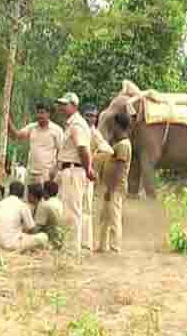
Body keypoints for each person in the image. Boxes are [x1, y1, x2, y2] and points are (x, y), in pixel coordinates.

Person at [53, 92, 94, 256]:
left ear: (74, 106)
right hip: (70, 170)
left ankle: (71, 250)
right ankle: (71, 247)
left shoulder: (76, 124)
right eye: (61, 105)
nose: (62, 108)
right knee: (70, 210)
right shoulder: (71, 124)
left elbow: (83, 149)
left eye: (65, 105)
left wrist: (88, 169)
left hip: (73, 170)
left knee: (72, 212)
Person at [81, 104, 114, 252]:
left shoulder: (94, 133)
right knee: (75, 208)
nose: (91, 118)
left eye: (93, 116)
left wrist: (93, 161)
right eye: (88, 115)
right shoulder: (79, 128)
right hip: (74, 171)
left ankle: (86, 243)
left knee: (86, 208)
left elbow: (108, 150)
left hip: (87, 174)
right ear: (83, 115)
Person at [98, 112, 133, 253]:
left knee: (114, 217)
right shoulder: (119, 143)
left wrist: (110, 189)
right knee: (105, 217)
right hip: (111, 187)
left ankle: (114, 247)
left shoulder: (123, 145)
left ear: (119, 126)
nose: (112, 128)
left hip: (116, 187)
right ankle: (103, 246)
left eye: (114, 125)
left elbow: (119, 170)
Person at [8, 102, 64, 187]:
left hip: (46, 174)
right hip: (30, 172)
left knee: (43, 199)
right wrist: (8, 120)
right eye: (38, 112)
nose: (39, 115)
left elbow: (62, 152)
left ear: (48, 114)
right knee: (28, 198)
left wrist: (55, 170)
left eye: (42, 113)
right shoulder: (32, 127)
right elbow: (17, 136)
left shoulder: (57, 130)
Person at [0, 182, 48, 252]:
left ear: (9, 192)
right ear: (22, 194)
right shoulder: (23, 206)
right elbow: (33, 230)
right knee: (43, 237)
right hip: (10, 245)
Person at [34, 181, 65, 249]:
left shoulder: (44, 205)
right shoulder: (59, 203)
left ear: (45, 192)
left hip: (49, 240)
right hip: (60, 238)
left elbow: (37, 228)